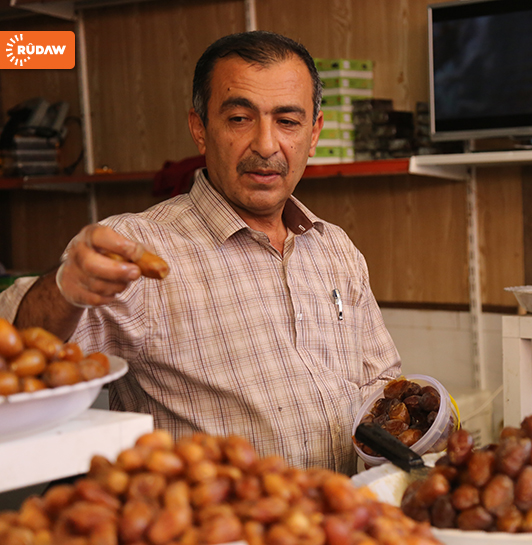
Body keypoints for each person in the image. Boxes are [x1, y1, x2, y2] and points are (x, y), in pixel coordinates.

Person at [0, 31, 401, 475]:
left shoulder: (335, 249)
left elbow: (381, 388)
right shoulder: (139, 249)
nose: (267, 144)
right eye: (240, 119)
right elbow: (13, 350)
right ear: (200, 129)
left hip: (340, 512)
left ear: (314, 133)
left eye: (288, 121)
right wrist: (64, 288)